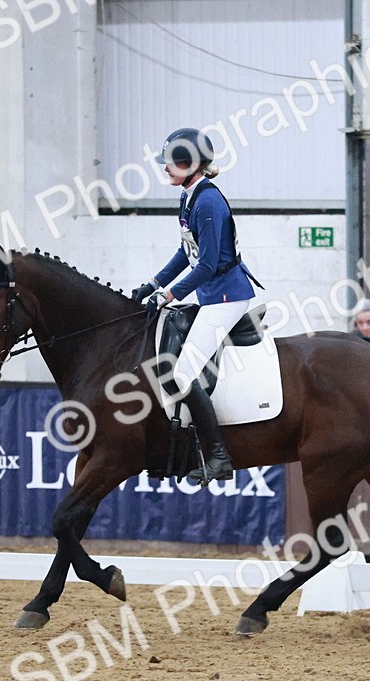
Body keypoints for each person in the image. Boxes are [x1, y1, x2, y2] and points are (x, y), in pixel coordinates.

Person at [130, 127, 261, 484]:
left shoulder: (207, 202)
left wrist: (168, 296)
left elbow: (205, 265)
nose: (166, 169)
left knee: (182, 373)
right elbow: (185, 252)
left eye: (172, 163)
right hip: (211, 295)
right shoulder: (190, 196)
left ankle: (218, 457)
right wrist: (154, 283)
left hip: (227, 296)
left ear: (192, 164)